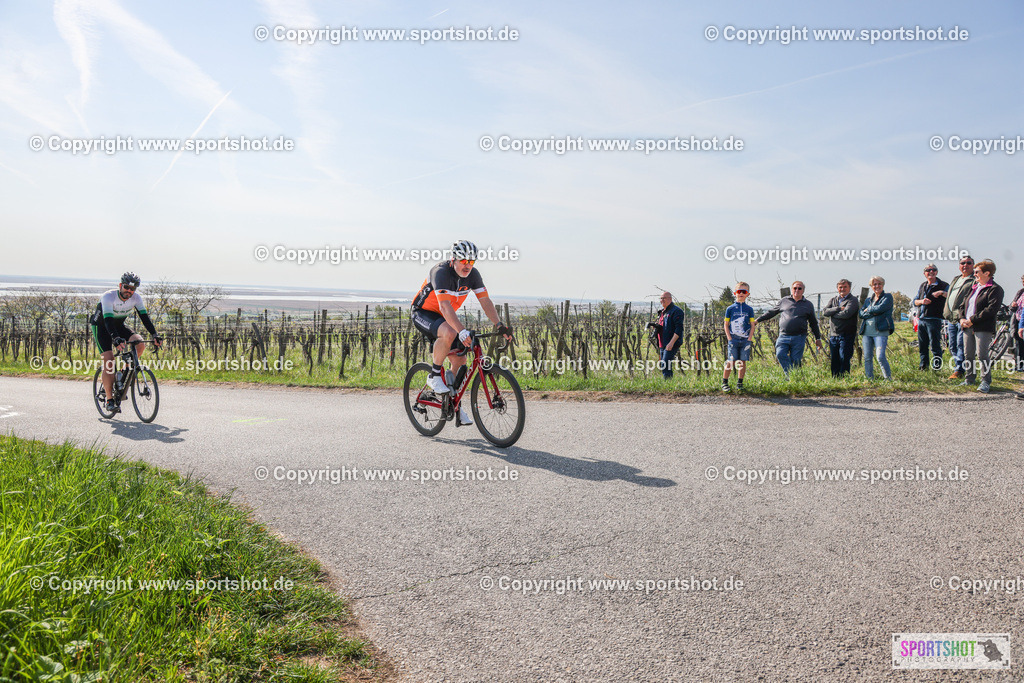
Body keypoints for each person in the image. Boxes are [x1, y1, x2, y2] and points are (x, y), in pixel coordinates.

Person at [411, 240, 512, 425]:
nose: (468, 265)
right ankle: (434, 375)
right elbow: (444, 306)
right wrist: (462, 331)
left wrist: (499, 325)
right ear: (454, 259)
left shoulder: (473, 275)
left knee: (460, 359)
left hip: (445, 316)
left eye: (471, 261)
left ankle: (452, 403)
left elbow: (485, 301)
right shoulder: (440, 272)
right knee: (449, 333)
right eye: (464, 261)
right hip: (423, 312)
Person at [89, 272, 162, 413]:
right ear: (120, 285)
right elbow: (108, 321)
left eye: (132, 289)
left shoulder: (136, 298)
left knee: (139, 344)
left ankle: (123, 372)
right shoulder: (108, 297)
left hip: (118, 326)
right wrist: (115, 338)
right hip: (102, 327)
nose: (129, 291)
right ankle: (109, 400)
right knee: (109, 360)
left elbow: (144, 318)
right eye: (126, 287)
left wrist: (155, 335)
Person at [755, 281, 823, 377]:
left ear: (803, 290)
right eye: (795, 288)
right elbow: (771, 312)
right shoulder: (784, 301)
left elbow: (813, 323)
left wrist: (818, 338)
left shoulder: (808, 305)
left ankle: (793, 379)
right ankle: (791, 376)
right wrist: (757, 320)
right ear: (792, 289)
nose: (797, 290)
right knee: (780, 354)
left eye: (799, 288)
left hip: (799, 337)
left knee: (796, 360)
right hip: (783, 336)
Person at [959, 259, 1004, 393]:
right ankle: (969, 379)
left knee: (982, 354)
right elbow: (963, 305)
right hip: (967, 325)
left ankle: (985, 381)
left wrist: (972, 320)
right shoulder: (974, 287)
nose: (974, 274)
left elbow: (991, 309)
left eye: (977, 272)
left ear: (987, 273)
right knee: (968, 354)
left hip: (982, 326)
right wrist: (962, 318)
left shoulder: (995, 289)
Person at [943, 255, 975, 379]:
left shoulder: (974, 280)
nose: (965, 265)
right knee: (952, 345)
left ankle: (959, 370)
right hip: (951, 317)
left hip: (963, 317)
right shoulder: (956, 279)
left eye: (968, 263)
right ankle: (959, 367)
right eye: (962, 263)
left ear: (973, 265)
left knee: (961, 344)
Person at [913, 264, 948, 371]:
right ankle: (923, 366)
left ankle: (937, 367)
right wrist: (922, 301)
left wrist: (941, 293)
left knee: (935, 345)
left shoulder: (943, 285)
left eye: (933, 270)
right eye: (928, 270)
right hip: (922, 319)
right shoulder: (922, 286)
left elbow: (951, 296)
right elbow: (915, 301)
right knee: (922, 345)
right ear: (924, 273)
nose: (931, 272)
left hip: (934, 319)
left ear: (936, 272)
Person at [822, 279, 860, 377]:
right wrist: (838, 308)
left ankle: (844, 378)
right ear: (837, 288)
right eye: (840, 287)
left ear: (849, 288)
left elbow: (846, 314)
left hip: (847, 334)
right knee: (834, 358)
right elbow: (824, 312)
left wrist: (832, 314)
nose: (842, 289)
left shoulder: (853, 300)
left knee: (844, 357)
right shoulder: (833, 300)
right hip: (834, 334)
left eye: (845, 287)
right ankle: (835, 378)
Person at [722, 282, 755, 392]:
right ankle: (725, 382)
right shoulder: (730, 309)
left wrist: (749, 339)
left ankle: (740, 383)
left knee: (742, 361)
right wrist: (729, 338)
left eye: (744, 292)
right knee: (731, 361)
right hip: (733, 339)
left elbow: (752, 325)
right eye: (739, 291)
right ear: (735, 293)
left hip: (745, 340)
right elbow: (726, 324)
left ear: (747, 294)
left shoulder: (749, 309)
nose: (741, 293)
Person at [858, 276, 893, 380]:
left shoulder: (887, 297)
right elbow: (861, 314)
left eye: (879, 284)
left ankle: (888, 379)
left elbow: (881, 308)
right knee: (867, 357)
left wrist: (868, 310)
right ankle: (870, 379)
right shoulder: (868, 300)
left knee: (880, 357)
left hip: (880, 331)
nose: (877, 286)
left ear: (883, 285)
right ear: (871, 286)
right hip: (867, 332)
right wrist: (873, 311)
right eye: (874, 284)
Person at [648, 291, 685, 379]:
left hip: (671, 343)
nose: (662, 300)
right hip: (662, 343)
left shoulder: (676, 311)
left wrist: (671, 343)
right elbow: (664, 325)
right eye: (661, 298)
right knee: (664, 365)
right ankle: (668, 383)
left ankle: (668, 384)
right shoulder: (662, 312)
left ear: (670, 299)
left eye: (664, 298)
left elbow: (679, 329)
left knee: (665, 364)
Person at [1009, 273, 1024, 373]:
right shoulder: (1021, 292)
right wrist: (1013, 306)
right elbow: (1012, 307)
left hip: (1023, 322)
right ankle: (1019, 365)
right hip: (1018, 320)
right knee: (1019, 344)